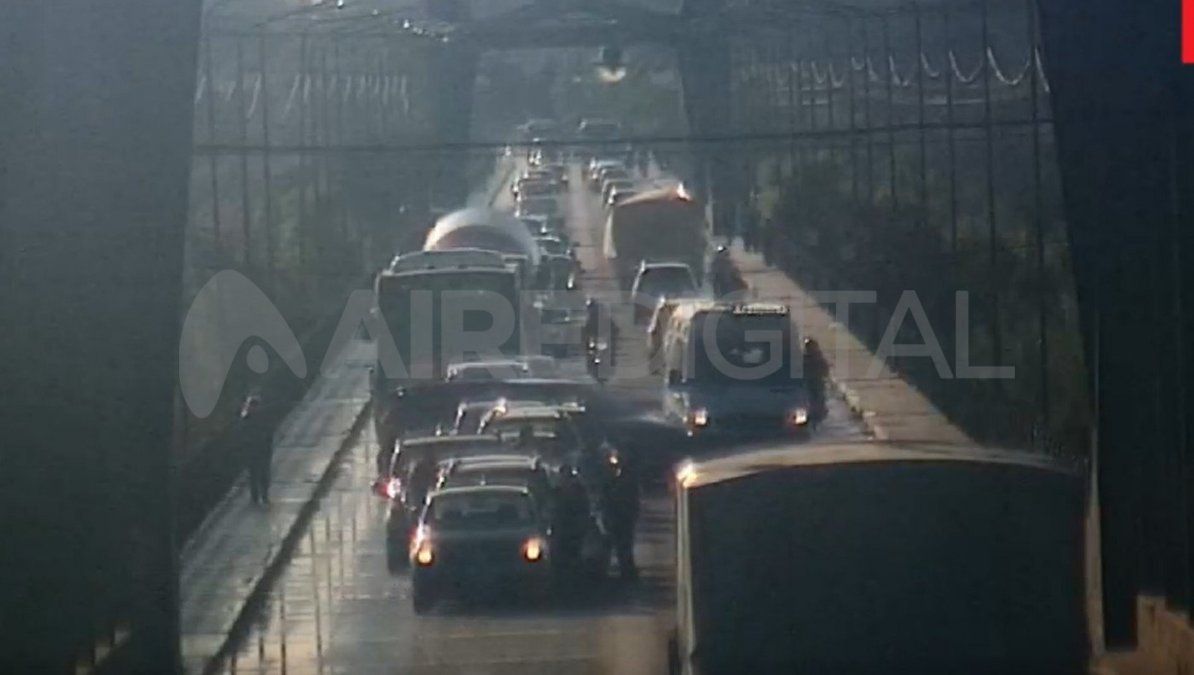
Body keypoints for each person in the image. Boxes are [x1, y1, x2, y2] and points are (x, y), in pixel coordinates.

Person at [601, 457, 640, 581]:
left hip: (621, 519)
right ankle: (626, 571)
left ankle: (627, 572)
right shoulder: (611, 483)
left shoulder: (622, 484)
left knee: (623, 547)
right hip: (618, 519)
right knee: (622, 547)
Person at [240, 393, 274, 505]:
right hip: (261, 450)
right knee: (262, 474)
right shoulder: (264, 416)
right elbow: (269, 433)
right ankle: (263, 496)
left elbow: (242, 432)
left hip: (254, 450)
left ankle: (256, 497)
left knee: (254, 474)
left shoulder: (246, 417)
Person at [802, 338, 830, 423]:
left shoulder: (817, 357)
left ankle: (818, 412)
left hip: (815, 383)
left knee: (818, 398)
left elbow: (825, 370)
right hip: (811, 384)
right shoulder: (806, 358)